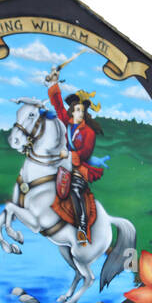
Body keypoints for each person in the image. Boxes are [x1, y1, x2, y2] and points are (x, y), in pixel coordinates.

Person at [42, 61, 107, 244]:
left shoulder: (89, 133)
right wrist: (54, 83)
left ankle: (82, 228)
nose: (79, 113)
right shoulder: (67, 122)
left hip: (79, 168)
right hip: (62, 165)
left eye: (81, 111)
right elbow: (58, 105)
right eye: (76, 110)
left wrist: (68, 155)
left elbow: (85, 153)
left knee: (76, 189)